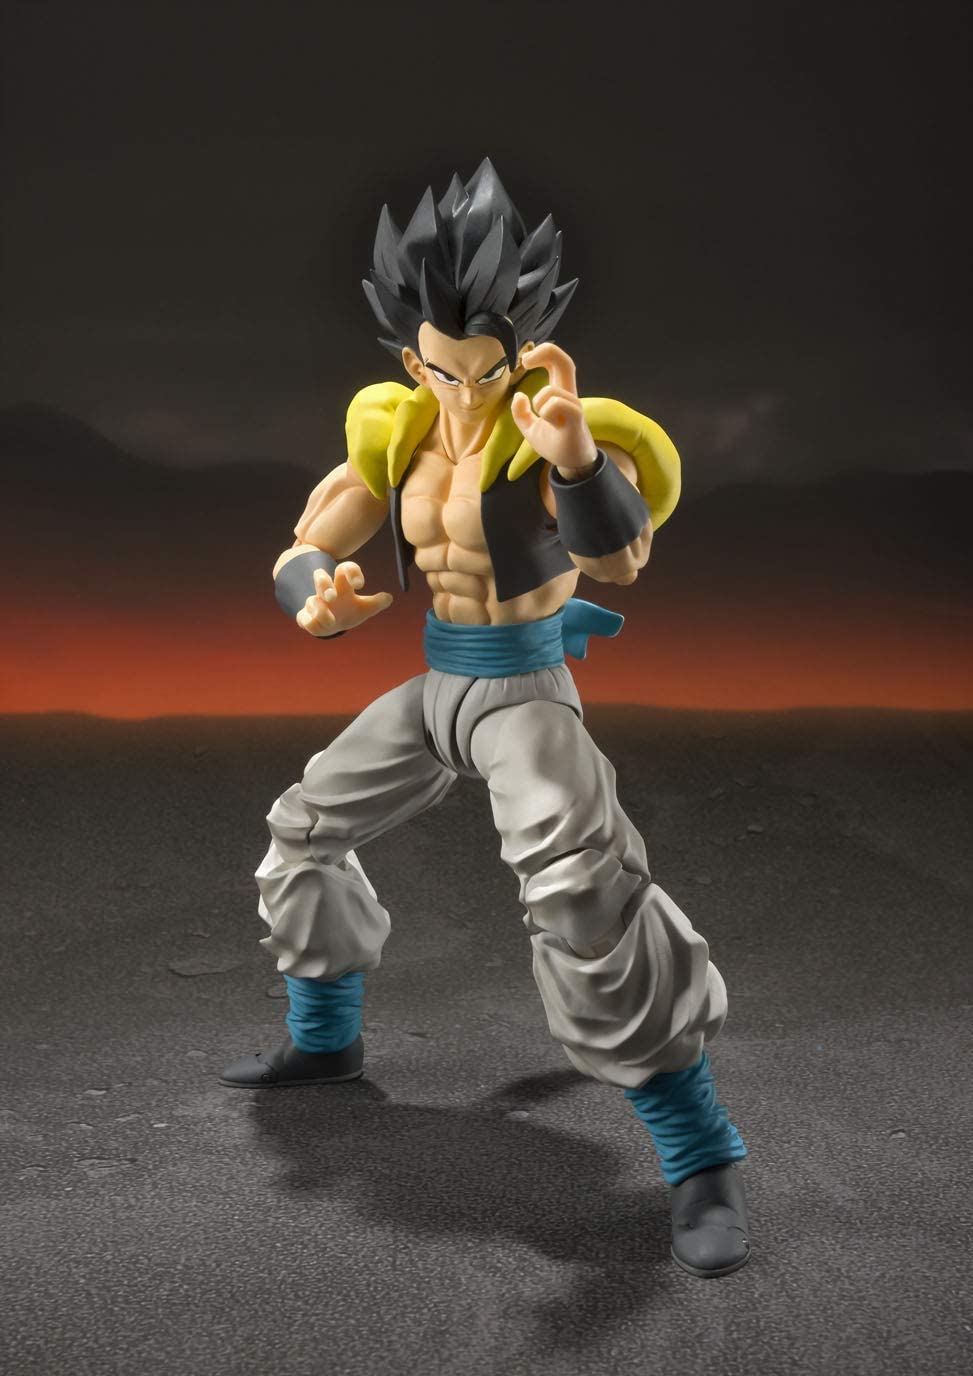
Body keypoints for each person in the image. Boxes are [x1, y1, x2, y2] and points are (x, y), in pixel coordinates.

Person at [221, 160, 751, 1278]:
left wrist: (573, 457)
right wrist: (312, 596)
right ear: (411, 356)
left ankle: (698, 1153)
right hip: (437, 687)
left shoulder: (560, 429)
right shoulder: (397, 426)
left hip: (523, 694)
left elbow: (619, 557)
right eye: (442, 366)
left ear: (523, 348)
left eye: (486, 367)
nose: (465, 388)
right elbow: (310, 536)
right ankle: (324, 1041)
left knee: (582, 892)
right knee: (303, 829)